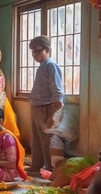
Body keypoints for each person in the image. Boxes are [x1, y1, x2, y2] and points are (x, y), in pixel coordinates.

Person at [27, 35, 64, 174]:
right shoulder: (42, 66)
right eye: (33, 52)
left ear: (47, 49)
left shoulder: (51, 65)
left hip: (46, 107)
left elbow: (58, 91)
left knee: (47, 140)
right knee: (36, 140)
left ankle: (49, 168)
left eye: (37, 51)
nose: (34, 55)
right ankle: (36, 166)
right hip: (36, 107)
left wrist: (53, 114)